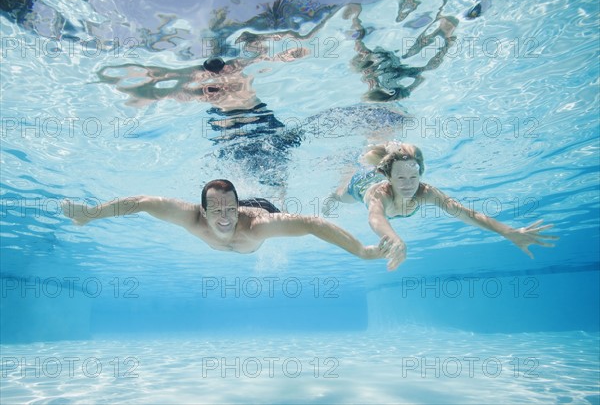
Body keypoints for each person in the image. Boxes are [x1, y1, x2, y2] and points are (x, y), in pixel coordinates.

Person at [62, 179, 401, 268]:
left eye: (229, 209)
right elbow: (143, 203)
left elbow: (312, 223)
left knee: (274, 194)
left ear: (237, 208)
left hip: (262, 206)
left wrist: (362, 251)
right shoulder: (192, 217)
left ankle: (272, 187)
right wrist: (90, 214)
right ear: (202, 210)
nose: (223, 218)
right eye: (215, 211)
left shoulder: (257, 225)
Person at [323, 142, 558, 269]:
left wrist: (509, 232)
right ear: (389, 178)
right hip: (361, 183)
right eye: (400, 179)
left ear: (421, 175)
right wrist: (394, 239)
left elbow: (468, 214)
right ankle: (332, 196)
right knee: (342, 197)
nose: (408, 185)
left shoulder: (427, 193)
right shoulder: (380, 192)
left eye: (413, 178)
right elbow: (376, 217)